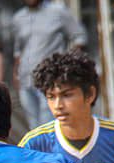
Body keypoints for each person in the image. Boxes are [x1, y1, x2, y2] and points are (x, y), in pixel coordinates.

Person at [10, 0, 86, 129]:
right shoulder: (18, 17)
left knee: (49, 124)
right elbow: (18, 49)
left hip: (50, 78)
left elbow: (79, 36)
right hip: (26, 78)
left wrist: (67, 63)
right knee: (34, 126)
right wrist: (15, 73)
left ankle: (51, 149)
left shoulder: (57, 11)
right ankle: (38, 149)